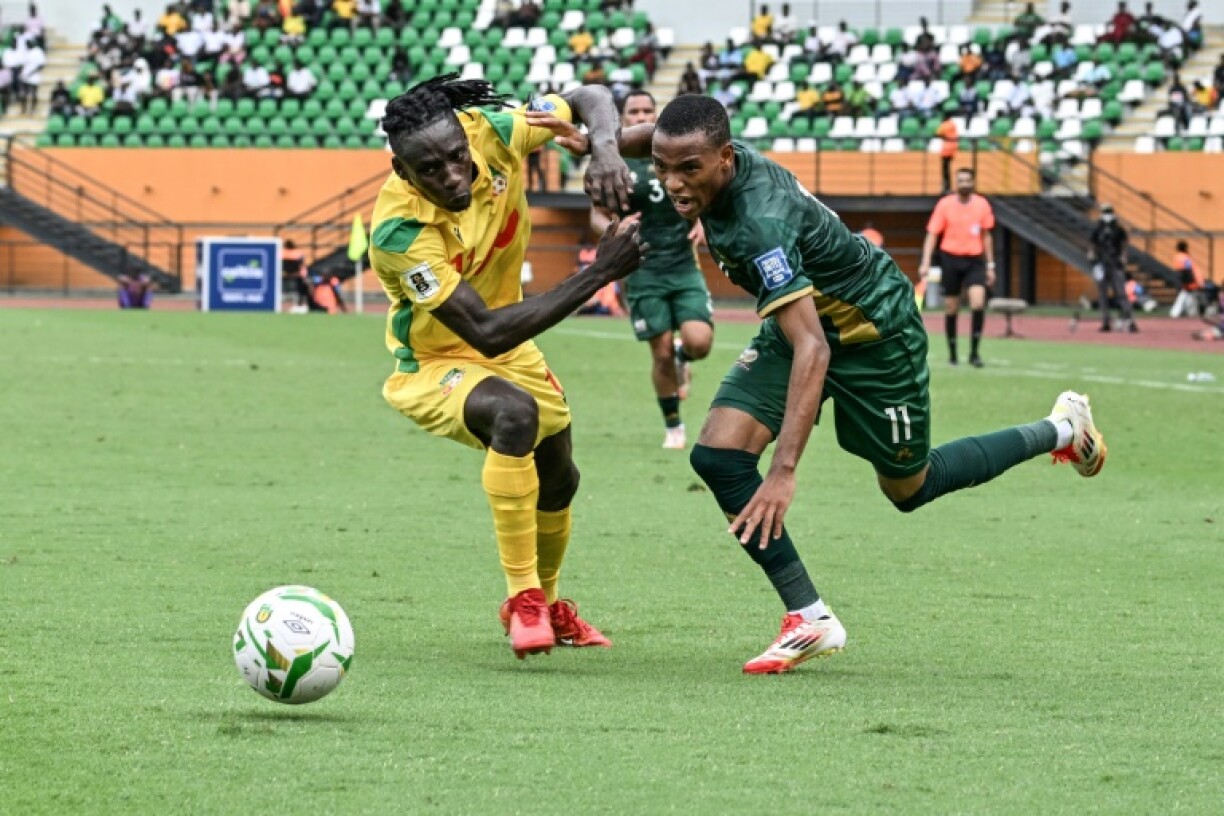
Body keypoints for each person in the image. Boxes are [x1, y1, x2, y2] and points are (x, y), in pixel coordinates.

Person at [528, 93, 1107, 674]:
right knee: (718, 456)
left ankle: (1059, 429)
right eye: (662, 167)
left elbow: (815, 348)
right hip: (804, 319)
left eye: (689, 169)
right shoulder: (703, 157)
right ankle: (809, 617)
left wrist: (783, 471)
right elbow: (625, 120)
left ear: (725, 159)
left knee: (910, 487)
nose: (673, 183)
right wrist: (597, 144)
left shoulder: (760, 225)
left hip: (873, 333)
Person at [367, 74, 643, 661]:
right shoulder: (399, 232)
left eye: (455, 158)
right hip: (438, 358)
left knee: (561, 475)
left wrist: (606, 151)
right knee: (513, 415)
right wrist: (598, 271)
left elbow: (590, 94)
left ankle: (550, 602)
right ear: (402, 173)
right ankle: (523, 601)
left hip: (511, 340)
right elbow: (486, 334)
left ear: (466, 137)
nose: (451, 176)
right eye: (430, 170)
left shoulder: (494, 129)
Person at [590, 90, 715, 449]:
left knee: (699, 342)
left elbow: (713, 193)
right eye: (634, 111)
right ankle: (673, 425)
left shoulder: (679, 153)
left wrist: (705, 220)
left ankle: (684, 357)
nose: (641, 115)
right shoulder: (612, 161)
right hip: (642, 268)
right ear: (622, 117)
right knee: (658, 353)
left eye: (647, 109)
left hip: (682, 263)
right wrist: (613, 230)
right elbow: (596, 214)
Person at [919, 167, 996, 367]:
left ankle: (974, 353)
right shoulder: (944, 205)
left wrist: (990, 265)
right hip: (950, 258)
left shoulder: (982, 204)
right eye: (960, 180)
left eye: (967, 180)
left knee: (978, 302)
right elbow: (932, 234)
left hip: (975, 260)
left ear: (973, 182)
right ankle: (953, 354)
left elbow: (987, 236)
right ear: (956, 183)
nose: (964, 184)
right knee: (951, 307)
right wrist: (926, 262)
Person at [1087, 203, 1135, 332]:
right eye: (1105, 212)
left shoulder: (1118, 230)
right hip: (1101, 264)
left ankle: (1130, 320)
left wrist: (1123, 257)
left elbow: (1124, 245)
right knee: (1102, 294)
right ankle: (1105, 321)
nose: (1107, 215)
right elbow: (1092, 245)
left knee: (1121, 293)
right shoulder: (1097, 229)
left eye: (1108, 212)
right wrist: (1092, 257)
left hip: (1115, 264)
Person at [1169, 239, 1203, 318]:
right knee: (1185, 295)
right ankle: (1177, 313)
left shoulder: (1177, 256)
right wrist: (1192, 280)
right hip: (1186, 276)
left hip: (1181, 276)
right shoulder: (1185, 257)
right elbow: (1188, 268)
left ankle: (1188, 312)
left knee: (1187, 296)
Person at [935, 112, 958, 193]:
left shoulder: (944, 125)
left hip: (946, 148)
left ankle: (946, 187)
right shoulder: (953, 124)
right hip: (953, 147)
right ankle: (948, 187)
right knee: (947, 168)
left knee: (945, 169)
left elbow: (937, 134)